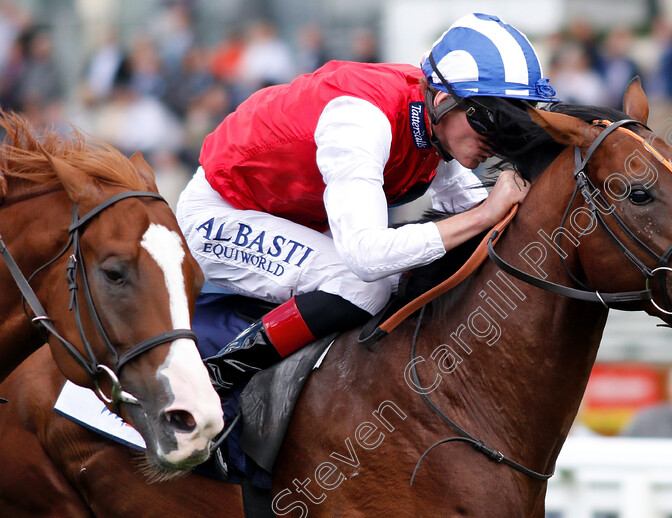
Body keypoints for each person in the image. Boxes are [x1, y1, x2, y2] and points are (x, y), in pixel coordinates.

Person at [176, 13, 556, 387]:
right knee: (365, 287)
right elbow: (366, 256)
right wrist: (484, 214)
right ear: (443, 100)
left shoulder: (434, 121)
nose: (496, 143)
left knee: (407, 277)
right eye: (492, 121)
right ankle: (219, 376)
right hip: (223, 211)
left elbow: (478, 213)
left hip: (288, 215)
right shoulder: (361, 120)